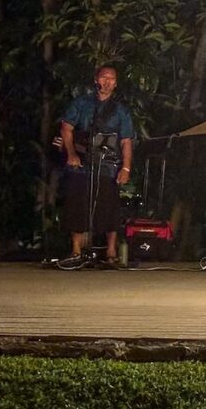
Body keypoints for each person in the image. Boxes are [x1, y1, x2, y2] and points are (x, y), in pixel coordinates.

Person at [59, 65, 135, 263]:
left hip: (108, 164)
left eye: (112, 79)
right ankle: (76, 250)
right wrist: (71, 153)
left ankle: (111, 252)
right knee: (77, 202)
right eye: (104, 77)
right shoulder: (82, 103)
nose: (107, 82)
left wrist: (126, 167)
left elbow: (126, 141)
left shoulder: (120, 111)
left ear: (116, 83)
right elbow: (66, 127)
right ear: (96, 79)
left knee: (109, 206)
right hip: (82, 161)